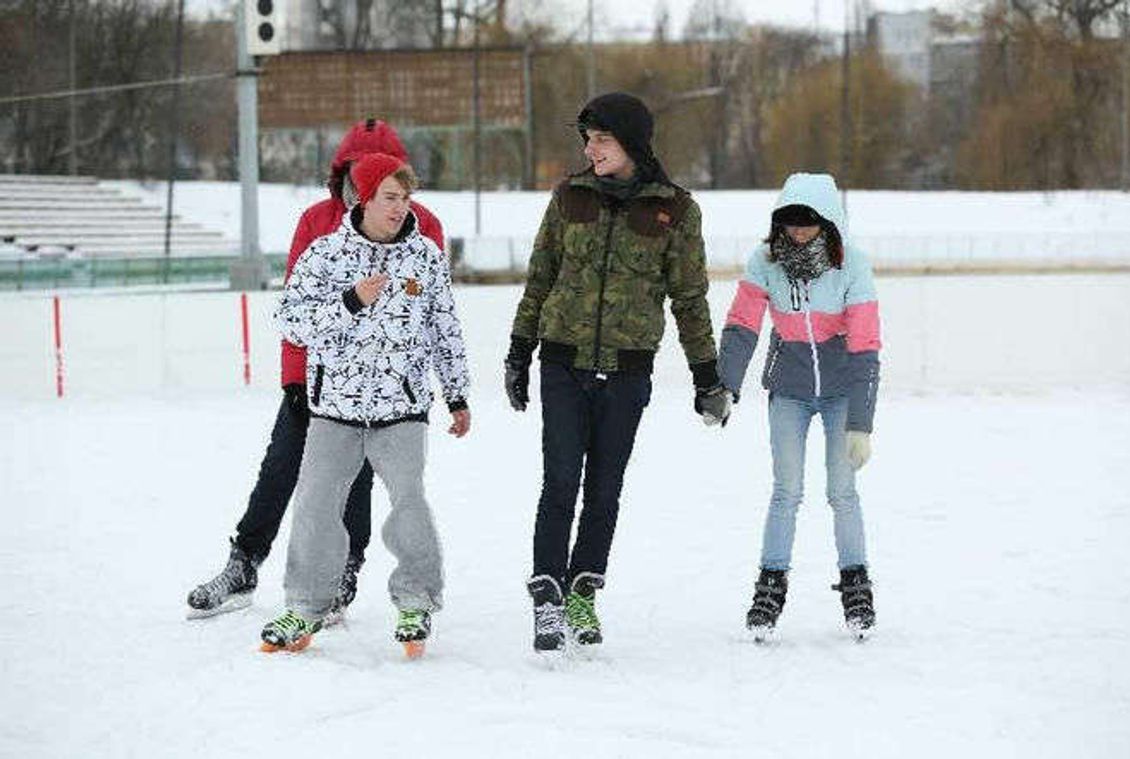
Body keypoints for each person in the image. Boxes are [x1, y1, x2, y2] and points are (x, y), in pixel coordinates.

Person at [185, 119, 444, 623]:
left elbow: (433, 315)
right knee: (281, 469)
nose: (363, 184)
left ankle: (343, 572)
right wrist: (295, 378)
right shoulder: (317, 221)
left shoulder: (421, 224)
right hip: (316, 382)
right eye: (353, 172)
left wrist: (429, 388)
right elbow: (295, 308)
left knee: (359, 483)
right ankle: (244, 563)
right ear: (343, 173)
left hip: (386, 391)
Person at [505, 92, 732, 653]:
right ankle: (549, 597)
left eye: (601, 138)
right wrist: (519, 351)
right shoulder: (569, 197)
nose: (590, 148)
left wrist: (707, 376)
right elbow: (540, 278)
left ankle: (584, 590)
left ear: (631, 141)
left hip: (628, 374)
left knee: (604, 489)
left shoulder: (675, 209)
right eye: (587, 138)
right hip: (563, 362)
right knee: (559, 483)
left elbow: (690, 298)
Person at [261, 153, 470, 657]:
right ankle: (305, 606)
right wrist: (349, 302)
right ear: (363, 198)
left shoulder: (424, 258)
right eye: (390, 198)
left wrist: (457, 393)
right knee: (315, 507)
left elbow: (445, 331)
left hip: (401, 407)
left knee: (409, 502)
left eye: (406, 198)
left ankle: (416, 600)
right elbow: (290, 324)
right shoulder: (325, 255)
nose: (400, 208)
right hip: (334, 408)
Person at [716, 172, 881, 641]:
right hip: (787, 391)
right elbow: (742, 324)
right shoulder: (765, 261)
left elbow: (866, 345)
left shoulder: (853, 266)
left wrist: (860, 424)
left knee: (842, 492)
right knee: (786, 490)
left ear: (828, 222)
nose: (800, 231)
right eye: (791, 221)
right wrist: (726, 386)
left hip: (840, 392)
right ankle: (770, 587)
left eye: (809, 222)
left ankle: (856, 585)